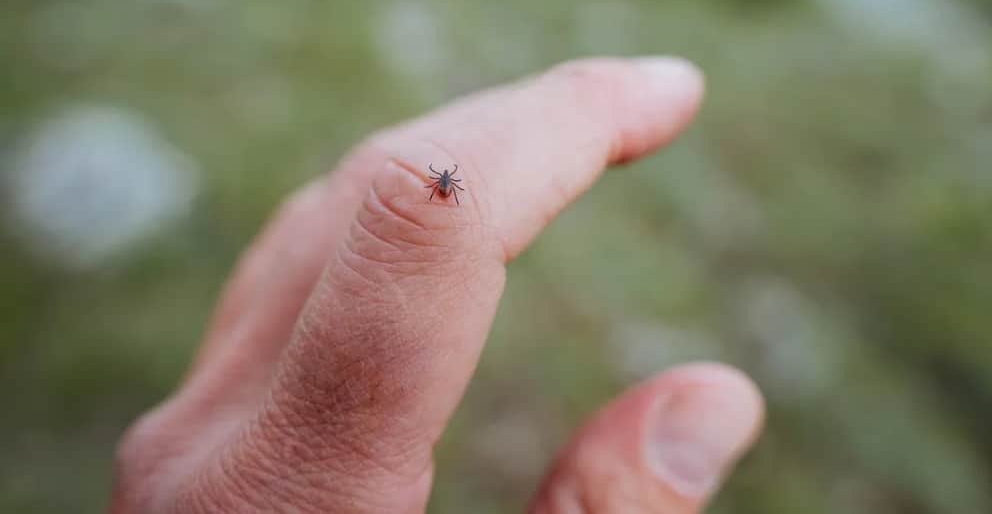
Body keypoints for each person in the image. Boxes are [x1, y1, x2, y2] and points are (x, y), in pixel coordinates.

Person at [110, 57, 765, 513]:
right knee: (432, 206)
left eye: (444, 185)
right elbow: (442, 192)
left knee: (431, 206)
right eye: (444, 185)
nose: (442, 188)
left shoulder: (441, 187)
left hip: (445, 195)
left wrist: (436, 198)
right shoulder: (443, 186)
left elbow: (441, 192)